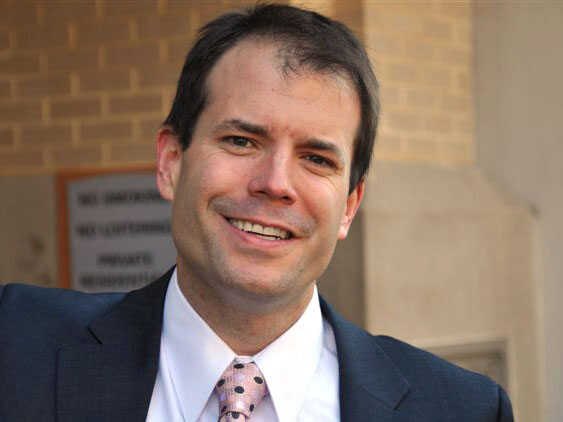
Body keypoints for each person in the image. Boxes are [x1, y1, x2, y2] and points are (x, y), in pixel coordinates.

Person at [0, 4, 512, 421]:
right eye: (242, 141)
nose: (275, 183)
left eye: (316, 159)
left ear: (349, 206)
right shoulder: (17, 347)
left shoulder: (461, 410)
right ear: (171, 162)